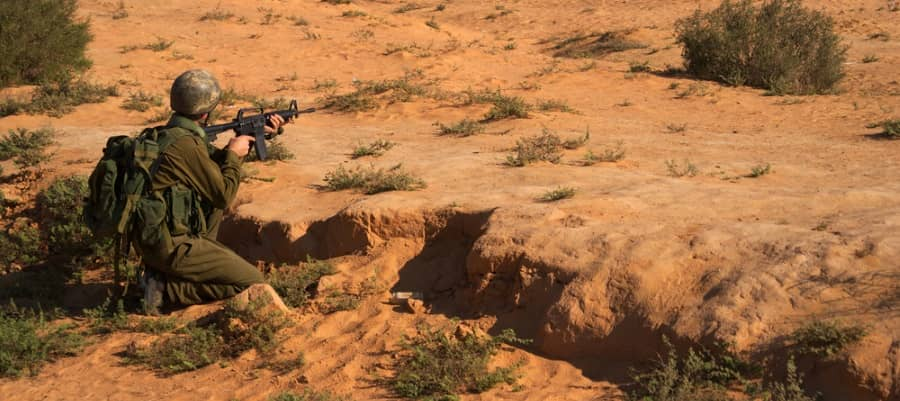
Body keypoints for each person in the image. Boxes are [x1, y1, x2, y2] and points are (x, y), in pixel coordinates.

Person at [139, 69, 289, 314]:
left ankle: (168, 276)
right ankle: (166, 290)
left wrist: (252, 136)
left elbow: (210, 168)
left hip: (156, 241)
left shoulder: (170, 135)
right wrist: (232, 155)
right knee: (251, 282)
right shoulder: (186, 145)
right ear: (207, 111)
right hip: (172, 246)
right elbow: (223, 195)